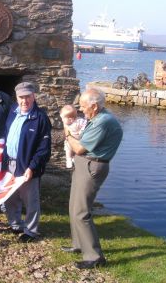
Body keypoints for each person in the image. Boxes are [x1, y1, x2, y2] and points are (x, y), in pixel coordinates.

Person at [61, 87, 123, 269]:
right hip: (84, 164)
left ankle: (95, 257)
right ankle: (79, 244)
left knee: (81, 211)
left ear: (94, 106)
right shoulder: (97, 118)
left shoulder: (102, 122)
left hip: (92, 165)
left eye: (83, 106)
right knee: (74, 206)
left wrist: (67, 132)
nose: (80, 110)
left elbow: (79, 148)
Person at [2, 82, 52, 242]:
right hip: (9, 163)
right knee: (10, 197)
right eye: (21, 97)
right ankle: (16, 224)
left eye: (27, 97)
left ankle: (31, 231)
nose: (24, 101)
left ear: (34, 96)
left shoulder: (41, 118)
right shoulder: (12, 112)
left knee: (30, 200)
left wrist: (32, 167)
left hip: (27, 166)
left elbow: (44, 149)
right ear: (16, 98)